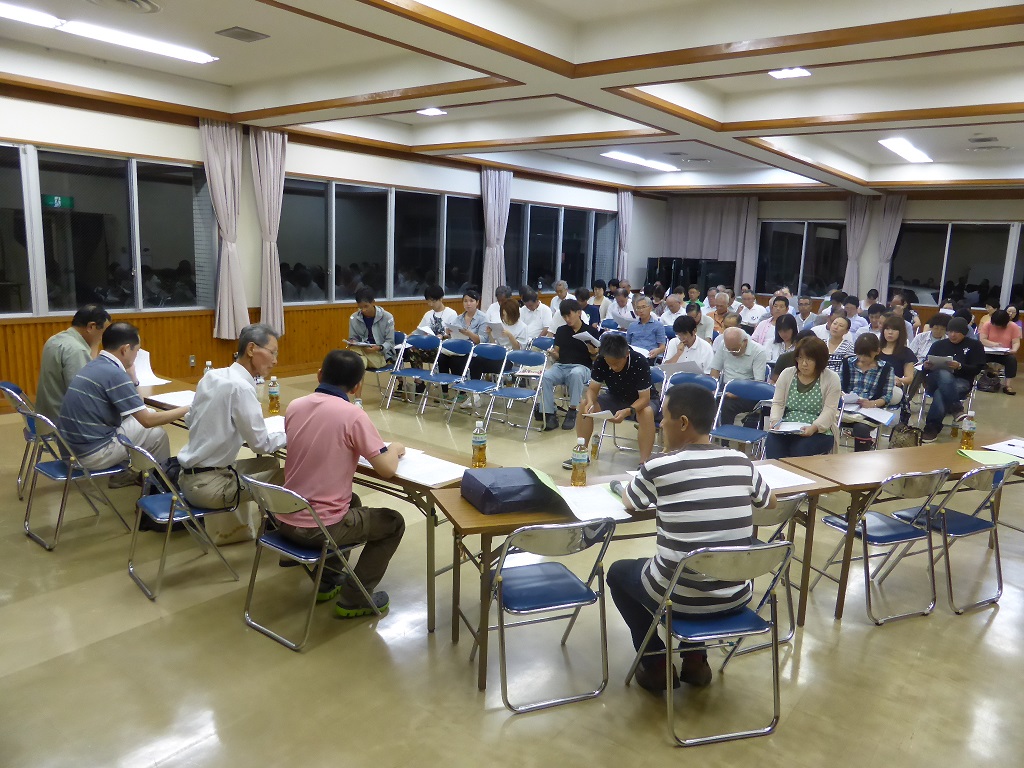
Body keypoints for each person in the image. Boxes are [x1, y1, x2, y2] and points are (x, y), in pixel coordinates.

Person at [608, 383, 771, 691]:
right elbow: (770, 502)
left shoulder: (658, 466)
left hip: (679, 599)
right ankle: (695, 660)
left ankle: (655, 663)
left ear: (682, 423)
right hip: (736, 595)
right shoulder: (742, 462)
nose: (660, 424)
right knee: (701, 561)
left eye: (664, 417)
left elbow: (631, 502)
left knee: (618, 572)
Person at [280, 350, 406, 617]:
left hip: (285, 519)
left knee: (353, 502)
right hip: (318, 529)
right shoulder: (353, 415)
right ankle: (355, 598)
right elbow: (386, 469)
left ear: (319, 375)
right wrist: (394, 449)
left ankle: (328, 580)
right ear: (357, 386)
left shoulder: (295, 406)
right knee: (393, 522)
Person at [178, 324, 288, 544]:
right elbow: (261, 444)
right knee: (290, 474)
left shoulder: (212, 376)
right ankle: (286, 532)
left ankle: (271, 522)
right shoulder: (242, 388)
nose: (275, 360)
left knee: (270, 464)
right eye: (272, 352)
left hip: (189, 477)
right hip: (210, 487)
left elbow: (190, 419)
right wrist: (292, 434)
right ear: (251, 349)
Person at [57, 322, 188, 483]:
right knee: (152, 419)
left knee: (156, 434)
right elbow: (146, 420)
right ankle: (163, 483)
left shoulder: (94, 365)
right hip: (90, 455)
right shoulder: (114, 374)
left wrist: (133, 379)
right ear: (125, 349)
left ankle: (152, 481)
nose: (136, 356)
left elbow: (137, 407)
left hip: (70, 452)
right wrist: (188, 408)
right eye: (136, 351)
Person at [565, 332, 658, 468]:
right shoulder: (601, 360)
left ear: (626, 354)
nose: (613, 368)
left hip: (642, 400)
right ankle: (582, 454)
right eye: (610, 364)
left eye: (616, 363)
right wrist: (590, 401)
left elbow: (644, 398)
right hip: (615, 397)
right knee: (585, 405)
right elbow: (592, 390)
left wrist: (627, 411)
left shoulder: (639, 361)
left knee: (646, 412)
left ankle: (644, 462)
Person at [764, 336, 841, 459]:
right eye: (800, 358)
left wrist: (814, 428)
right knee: (772, 442)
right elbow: (778, 403)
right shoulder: (787, 374)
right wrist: (775, 421)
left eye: (809, 359)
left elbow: (830, 410)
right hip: (787, 426)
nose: (804, 364)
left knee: (800, 448)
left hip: (819, 430)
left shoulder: (831, 378)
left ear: (820, 360)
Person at [36, 304, 111, 422]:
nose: (103, 338)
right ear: (91, 326)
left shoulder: (54, 339)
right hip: (66, 423)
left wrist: (93, 345)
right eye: (103, 333)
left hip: (47, 418)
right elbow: (84, 396)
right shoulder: (77, 350)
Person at [921, 316, 987, 442]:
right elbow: (925, 368)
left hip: (961, 381)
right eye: (950, 331)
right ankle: (956, 408)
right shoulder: (938, 345)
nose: (952, 335)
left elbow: (977, 369)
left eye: (956, 332)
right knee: (943, 374)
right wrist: (926, 366)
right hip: (935, 380)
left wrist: (960, 366)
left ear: (964, 333)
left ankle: (931, 428)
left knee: (940, 393)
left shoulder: (975, 345)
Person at [540, 299, 597, 431]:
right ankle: (549, 413)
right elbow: (557, 354)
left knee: (576, 374)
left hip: (582, 367)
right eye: (564, 317)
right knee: (546, 376)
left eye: (569, 315)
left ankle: (572, 410)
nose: (567, 319)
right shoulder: (561, 331)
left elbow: (595, 359)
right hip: (562, 365)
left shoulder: (591, 331)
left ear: (578, 313)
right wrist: (553, 354)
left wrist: (593, 352)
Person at [840, 334, 895, 451]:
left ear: (877, 352)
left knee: (861, 428)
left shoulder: (886, 368)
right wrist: (843, 396)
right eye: (859, 354)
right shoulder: (847, 363)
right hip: (847, 408)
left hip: (871, 410)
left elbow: (887, 396)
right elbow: (838, 387)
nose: (862, 359)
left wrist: (872, 403)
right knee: (827, 421)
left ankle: (861, 459)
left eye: (866, 355)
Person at [435, 289, 488, 397]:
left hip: (474, 350)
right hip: (459, 347)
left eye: (471, 301)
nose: (468, 304)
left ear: (477, 302)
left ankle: (461, 391)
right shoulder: (459, 318)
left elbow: (482, 340)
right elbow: (453, 335)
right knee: (442, 358)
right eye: (465, 301)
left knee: (457, 360)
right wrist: (448, 333)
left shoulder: (483, 318)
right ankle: (444, 390)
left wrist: (469, 334)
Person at [710, 327, 768, 426]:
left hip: (747, 392)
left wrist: (737, 393)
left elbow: (758, 383)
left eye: (735, 349)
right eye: (729, 349)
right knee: (704, 398)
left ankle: (725, 434)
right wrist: (713, 388)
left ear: (745, 342)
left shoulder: (758, 351)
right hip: (726, 387)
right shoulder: (724, 345)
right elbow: (715, 369)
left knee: (726, 405)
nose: (732, 352)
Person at [347, 287, 395, 371]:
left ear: (373, 302)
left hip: (380, 353)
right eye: (360, 307)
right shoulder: (354, 318)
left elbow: (390, 342)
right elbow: (353, 338)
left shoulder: (387, 317)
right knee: (353, 356)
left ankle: (357, 368)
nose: (363, 310)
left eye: (366, 306)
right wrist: (352, 342)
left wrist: (379, 348)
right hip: (362, 350)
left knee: (355, 363)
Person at [878, 315, 917, 416]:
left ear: (901, 332)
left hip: (892, 387)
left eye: (894, 329)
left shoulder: (906, 353)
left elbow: (909, 378)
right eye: (887, 329)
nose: (890, 332)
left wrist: (898, 380)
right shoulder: (876, 349)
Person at [980, 309, 1021, 395]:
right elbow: (982, 340)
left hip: (1004, 354)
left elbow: (1016, 342)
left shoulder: (1013, 327)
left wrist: (1014, 350)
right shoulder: (987, 325)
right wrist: (994, 344)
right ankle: (980, 380)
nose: (997, 327)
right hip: (988, 352)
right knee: (978, 357)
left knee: (1012, 360)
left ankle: (1007, 385)